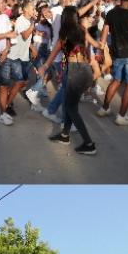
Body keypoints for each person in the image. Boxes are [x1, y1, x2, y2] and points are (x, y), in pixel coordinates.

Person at [40, 8, 99, 155]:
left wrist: (44, 66)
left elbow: (54, 53)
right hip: (85, 71)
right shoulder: (82, 30)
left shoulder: (64, 35)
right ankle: (65, 134)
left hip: (74, 72)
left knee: (71, 108)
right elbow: (96, 45)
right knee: (70, 104)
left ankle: (89, 144)